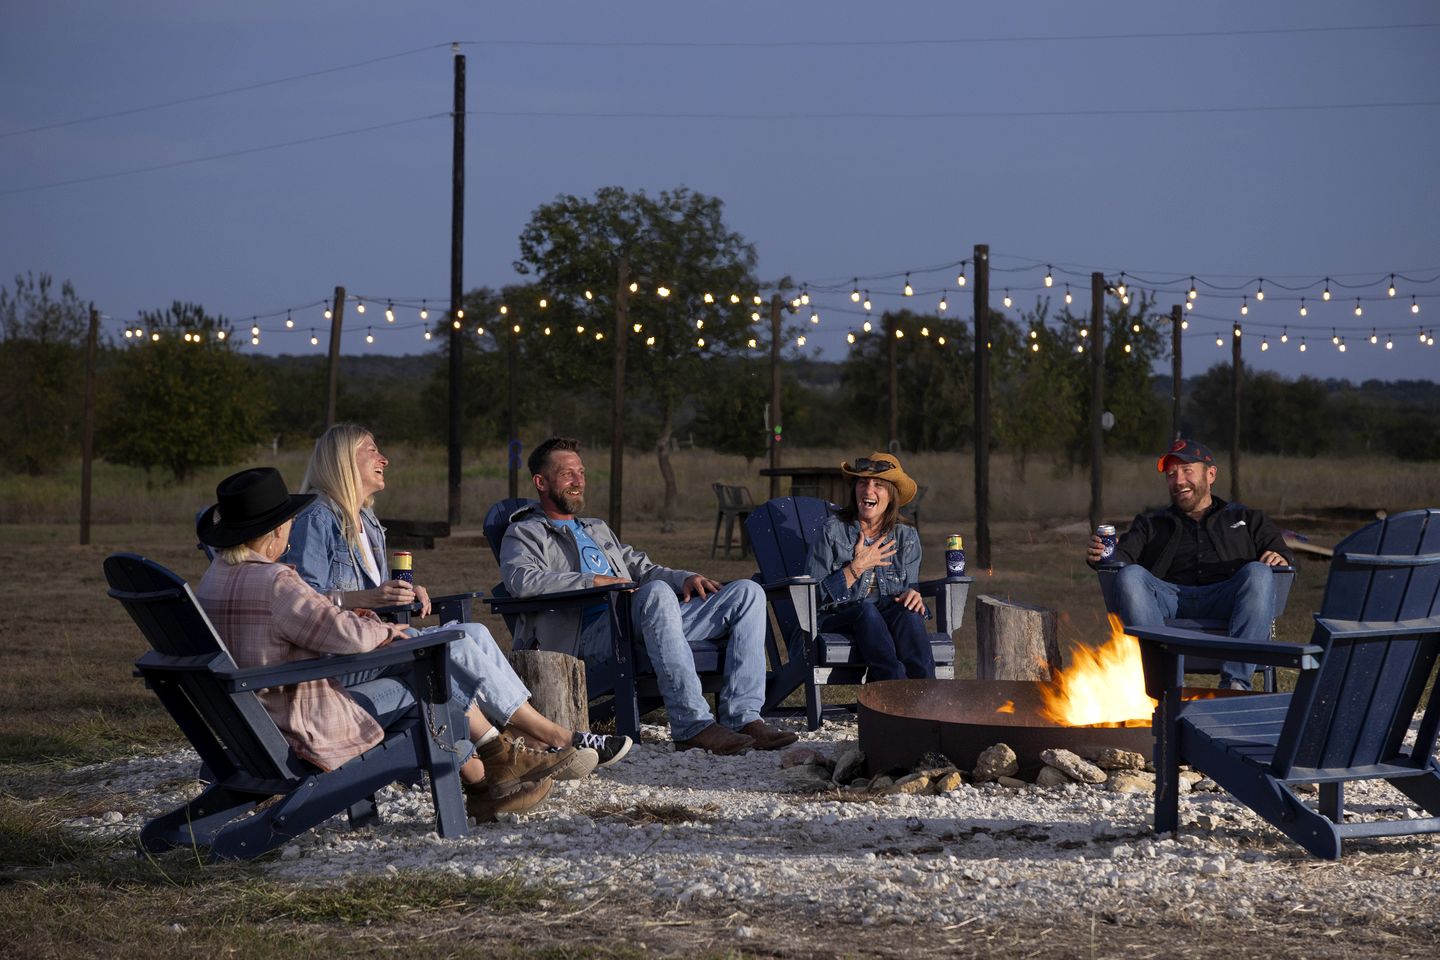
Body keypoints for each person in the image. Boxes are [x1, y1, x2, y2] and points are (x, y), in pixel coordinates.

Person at [195, 467, 562, 822]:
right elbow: (346, 636)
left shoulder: (215, 579)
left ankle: (489, 775)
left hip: (250, 720)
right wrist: (387, 632)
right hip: (298, 723)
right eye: (288, 521)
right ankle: (494, 771)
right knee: (430, 678)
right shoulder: (274, 582)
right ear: (275, 530)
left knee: (430, 672)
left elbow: (319, 623)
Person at [284, 424, 631, 772]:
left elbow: (365, 597)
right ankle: (554, 736)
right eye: (372, 451)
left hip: (374, 644)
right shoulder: (316, 517)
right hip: (338, 662)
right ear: (343, 459)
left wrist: (400, 594)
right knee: (456, 645)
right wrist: (370, 597)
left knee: (474, 632)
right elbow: (301, 603)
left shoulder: (367, 522)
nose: (385, 459)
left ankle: (520, 740)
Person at [500, 437, 798, 756]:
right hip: (585, 638)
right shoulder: (525, 532)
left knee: (747, 593)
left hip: (641, 622)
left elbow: (644, 568)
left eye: (581, 472)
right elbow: (521, 580)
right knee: (655, 594)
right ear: (541, 482)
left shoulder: (596, 529)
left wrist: (685, 577)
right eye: (566, 474)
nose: (578, 481)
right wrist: (593, 581)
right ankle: (692, 725)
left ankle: (743, 718)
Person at [1085, 438, 1293, 690]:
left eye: (1187, 471)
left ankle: (1235, 684)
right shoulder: (1152, 522)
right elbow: (1122, 560)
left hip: (1226, 599)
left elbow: (1286, 560)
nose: (1179, 481)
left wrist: (1280, 558)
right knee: (1131, 576)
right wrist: (1103, 556)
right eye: (1171, 475)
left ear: (1211, 474)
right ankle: (1162, 684)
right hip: (1168, 600)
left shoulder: (1246, 518)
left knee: (1259, 573)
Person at [804, 452, 934, 682]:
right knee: (866, 610)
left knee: (911, 615)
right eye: (862, 483)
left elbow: (910, 589)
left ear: (891, 496)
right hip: (837, 618)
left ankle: (927, 700)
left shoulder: (907, 537)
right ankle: (891, 687)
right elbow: (810, 598)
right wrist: (856, 567)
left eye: (879, 485)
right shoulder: (832, 532)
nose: (868, 490)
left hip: (885, 616)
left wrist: (913, 595)